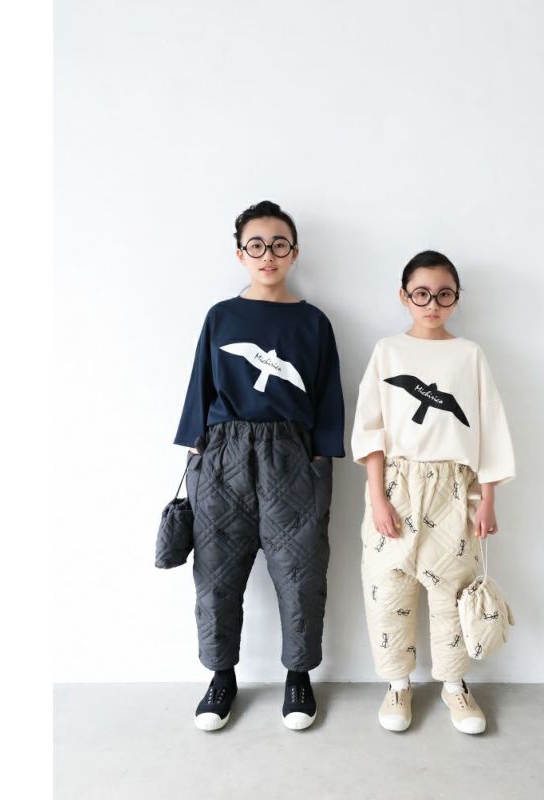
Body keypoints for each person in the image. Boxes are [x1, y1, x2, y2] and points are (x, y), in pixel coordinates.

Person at [174, 200, 344, 731]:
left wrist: (320, 457)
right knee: (216, 574)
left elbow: (328, 395)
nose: (267, 254)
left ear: (294, 252)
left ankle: (299, 676)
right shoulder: (221, 317)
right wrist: (196, 450)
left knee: (301, 573)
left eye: (278, 244)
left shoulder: (313, 322)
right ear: (240, 254)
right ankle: (221, 676)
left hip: (293, 454)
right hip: (223, 453)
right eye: (256, 245)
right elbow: (200, 385)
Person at [350, 250, 515, 734]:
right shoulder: (388, 351)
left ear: (456, 298)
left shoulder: (469, 355)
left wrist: (488, 498)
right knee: (388, 586)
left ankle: (454, 686)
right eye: (421, 294)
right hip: (396, 483)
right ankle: (397, 684)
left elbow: (489, 429)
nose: (432, 304)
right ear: (403, 297)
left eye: (444, 294)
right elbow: (370, 428)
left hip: (454, 488)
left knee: (452, 591)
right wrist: (378, 498)